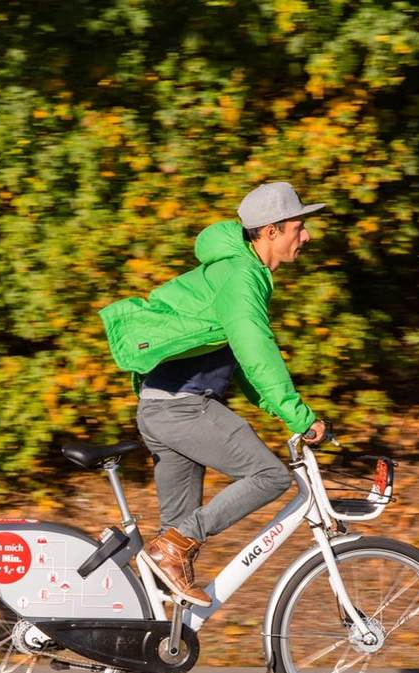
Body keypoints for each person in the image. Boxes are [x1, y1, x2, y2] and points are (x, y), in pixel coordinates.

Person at [100, 181, 328, 610]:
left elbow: (241, 364)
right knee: (271, 477)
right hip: (184, 408)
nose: (308, 236)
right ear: (272, 230)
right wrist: (299, 417)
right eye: (300, 227)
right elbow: (257, 350)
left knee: (173, 550)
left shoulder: (233, 271)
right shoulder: (242, 276)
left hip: (160, 408)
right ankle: (174, 548)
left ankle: (159, 656)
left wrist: (278, 409)